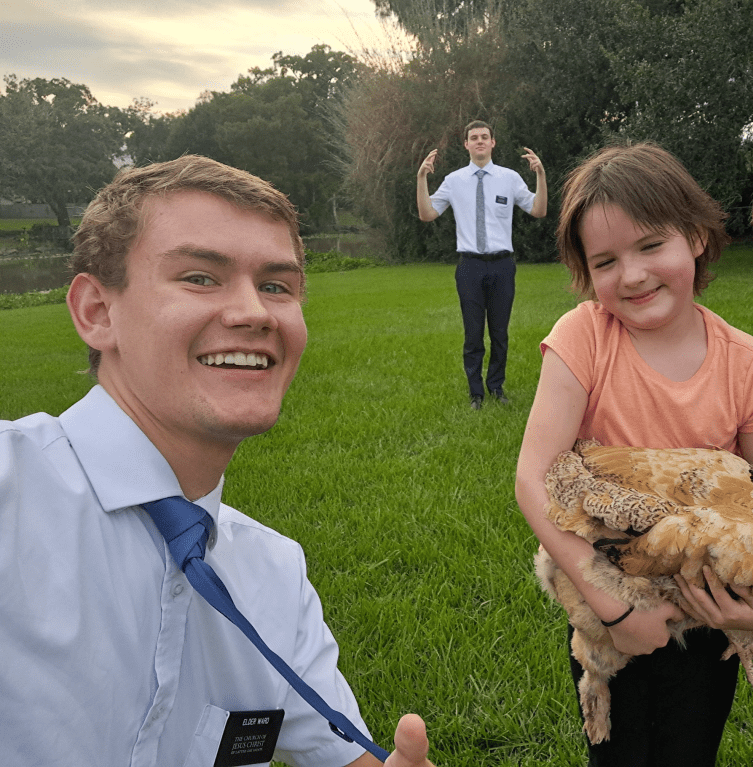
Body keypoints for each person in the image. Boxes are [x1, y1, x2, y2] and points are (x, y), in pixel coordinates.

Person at [0, 155, 434, 767]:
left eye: (277, 286)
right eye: (200, 277)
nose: (254, 312)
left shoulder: (273, 575)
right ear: (97, 311)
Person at [515, 141, 753, 766]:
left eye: (650, 245)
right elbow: (534, 478)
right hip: (604, 597)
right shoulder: (583, 337)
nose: (633, 275)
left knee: (689, 751)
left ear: (695, 236)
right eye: (606, 261)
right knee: (616, 756)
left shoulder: (750, 366)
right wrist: (615, 611)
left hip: (704, 613)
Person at [417, 120, 547, 410]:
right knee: (473, 333)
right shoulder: (454, 181)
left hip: (502, 266)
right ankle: (475, 393)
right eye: (474, 137)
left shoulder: (509, 178)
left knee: (499, 333)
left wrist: (540, 174)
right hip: (470, 267)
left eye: (484, 136)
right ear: (466, 144)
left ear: (492, 143)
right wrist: (421, 178)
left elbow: (538, 210)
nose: (479, 141)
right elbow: (427, 214)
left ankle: (496, 387)